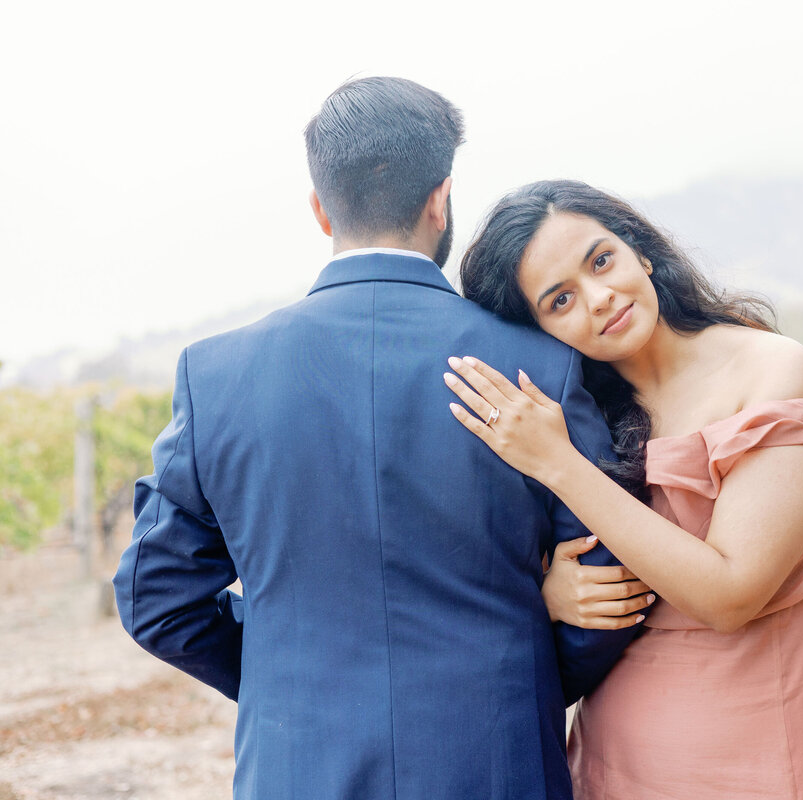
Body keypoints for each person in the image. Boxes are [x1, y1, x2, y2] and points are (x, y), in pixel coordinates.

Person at [112, 80, 644, 800]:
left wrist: (289, 684)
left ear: (320, 207)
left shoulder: (214, 376)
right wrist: (520, 668)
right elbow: (613, 583)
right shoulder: (542, 363)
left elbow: (156, 599)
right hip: (498, 760)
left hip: (297, 769)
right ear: (440, 199)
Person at [444, 180, 803, 799]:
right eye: (560, 300)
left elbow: (731, 594)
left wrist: (560, 465)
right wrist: (548, 588)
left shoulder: (771, 368)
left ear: (639, 250)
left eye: (601, 260)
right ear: (537, 330)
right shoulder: (572, 416)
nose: (600, 297)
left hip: (767, 743)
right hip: (616, 754)